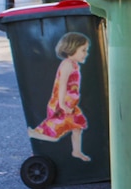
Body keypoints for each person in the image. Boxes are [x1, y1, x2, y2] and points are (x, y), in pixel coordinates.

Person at [27, 32, 91, 161]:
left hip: (70, 105)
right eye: (83, 50)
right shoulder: (67, 64)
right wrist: (61, 104)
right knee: (54, 135)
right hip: (61, 105)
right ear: (72, 48)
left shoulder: (74, 64)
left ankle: (76, 151)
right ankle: (33, 133)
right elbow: (62, 85)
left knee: (77, 127)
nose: (86, 53)